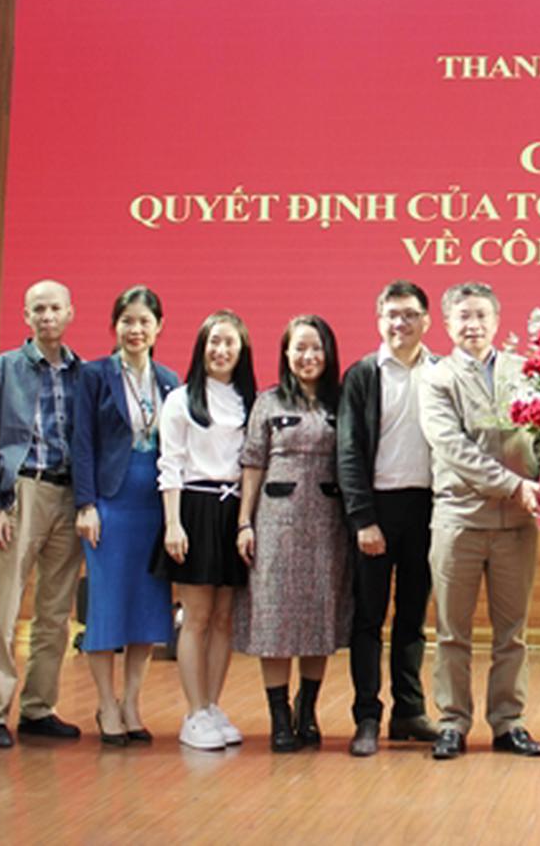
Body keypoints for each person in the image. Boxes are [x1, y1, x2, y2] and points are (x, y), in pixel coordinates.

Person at [417, 282, 540, 760]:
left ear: (497, 320)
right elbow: (452, 448)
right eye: (463, 316)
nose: (473, 325)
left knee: (513, 633)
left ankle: (509, 722)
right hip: (459, 522)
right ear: (447, 323)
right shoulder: (436, 378)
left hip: (517, 525)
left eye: (481, 316)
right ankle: (452, 722)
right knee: (453, 632)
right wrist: (514, 484)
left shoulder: (525, 372)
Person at [0, 279, 85, 749]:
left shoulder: (83, 373)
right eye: (38, 309)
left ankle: (39, 707)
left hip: (68, 493)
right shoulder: (3, 369)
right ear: (26, 316)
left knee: (55, 612)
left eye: (55, 308)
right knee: (4, 609)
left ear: (70, 312)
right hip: (21, 491)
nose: (47, 316)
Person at [235, 315, 354, 753]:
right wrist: (244, 522)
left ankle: (308, 710)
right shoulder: (267, 402)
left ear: (329, 353)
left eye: (316, 347)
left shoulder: (342, 403)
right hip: (275, 524)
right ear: (286, 353)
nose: (308, 356)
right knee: (275, 619)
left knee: (319, 616)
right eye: (299, 348)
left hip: (327, 525)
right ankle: (279, 717)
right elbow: (252, 463)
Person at [70, 285, 180, 746]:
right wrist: (86, 504)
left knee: (147, 608)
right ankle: (105, 704)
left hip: (154, 506)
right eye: (127, 321)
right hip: (110, 505)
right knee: (107, 606)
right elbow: (81, 442)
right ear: (114, 325)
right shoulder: (95, 375)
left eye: (144, 321)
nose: (136, 329)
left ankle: (132, 703)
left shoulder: (170, 381)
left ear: (159, 327)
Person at [337, 280, 441, 756]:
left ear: (427, 320)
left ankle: (409, 712)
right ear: (379, 320)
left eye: (410, 314)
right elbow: (348, 451)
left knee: (413, 618)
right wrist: (363, 520)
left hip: (428, 511)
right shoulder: (363, 374)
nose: (401, 323)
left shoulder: (441, 372)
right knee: (368, 619)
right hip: (376, 511)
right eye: (392, 315)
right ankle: (366, 716)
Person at [153, 310, 258, 750]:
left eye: (229, 342)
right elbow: (170, 464)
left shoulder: (250, 400)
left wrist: (246, 521)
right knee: (195, 617)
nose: (221, 350)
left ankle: (213, 706)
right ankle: (193, 712)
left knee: (222, 618)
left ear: (242, 350)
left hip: (234, 511)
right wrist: (173, 523)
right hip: (193, 508)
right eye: (214, 341)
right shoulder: (180, 399)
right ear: (202, 347)